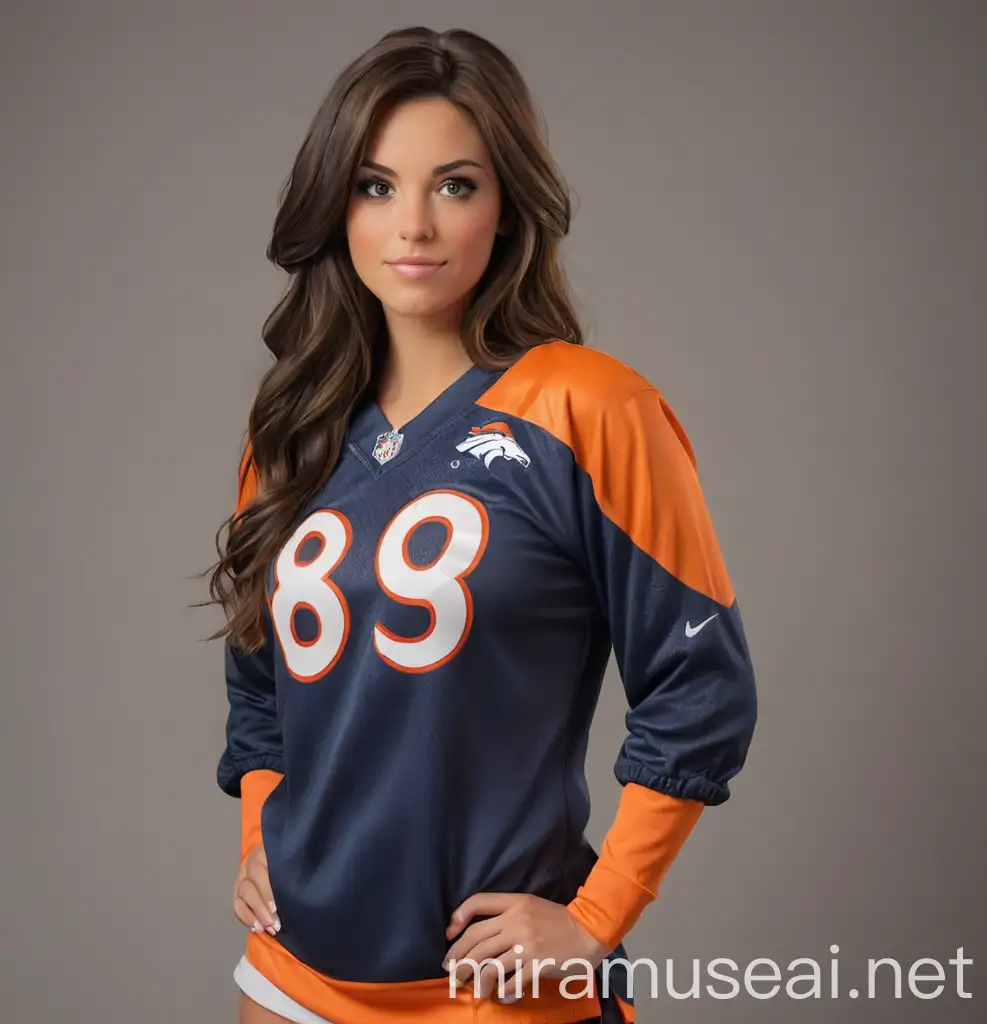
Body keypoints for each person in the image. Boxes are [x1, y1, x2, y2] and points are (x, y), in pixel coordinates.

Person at [206, 25, 758, 1024]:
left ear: (506, 209)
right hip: (290, 981)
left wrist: (596, 916)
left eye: (454, 185)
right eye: (375, 186)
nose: (412, 223)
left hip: (493, 993)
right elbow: (262, 680)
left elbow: (699, 684)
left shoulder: (590, 410)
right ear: (336, 207)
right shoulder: (291, 428)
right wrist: (261, 834)